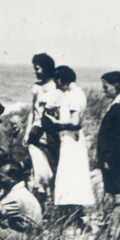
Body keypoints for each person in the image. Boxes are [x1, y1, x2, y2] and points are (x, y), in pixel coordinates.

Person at [43, 66, 95, 227]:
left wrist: (55, 122)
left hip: (72, 143)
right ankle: (72, 217)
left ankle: (72, 218)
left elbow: (75, 122)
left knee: (71, 180)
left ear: (60, 79)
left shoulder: (75, 95)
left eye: (56, 81)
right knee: (70, 180)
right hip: (68, 141)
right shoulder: (73, 95)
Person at [96, 71, 120, 240]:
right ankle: (111, 228)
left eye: (106, 87)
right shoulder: (116, 105)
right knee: (112, 192)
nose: (104, 91)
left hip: (114, 159)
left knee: (117, 193)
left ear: (116, 86)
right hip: (110, 158)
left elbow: (118, 137)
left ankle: (116, 231)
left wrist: (109, 159)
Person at [23, 53, 60, 198]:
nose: (35, 72)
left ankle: (53, 202)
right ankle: (41, 202)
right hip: (35, 132)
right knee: (38, 169)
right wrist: (27, 132)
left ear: (46, 68)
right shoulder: (37, 88)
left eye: (37, 68)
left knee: (52, 169)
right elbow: (32, 112)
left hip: (50, 134)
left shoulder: (56, 87)